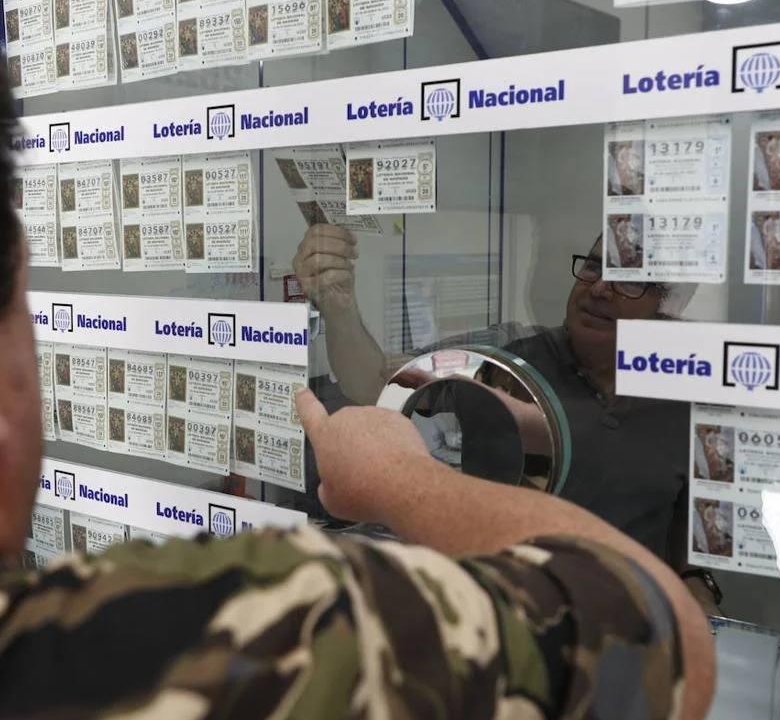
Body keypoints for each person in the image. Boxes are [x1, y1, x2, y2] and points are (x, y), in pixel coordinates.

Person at [0, 0, 711, 720]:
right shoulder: (181, 650)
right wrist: (404, 485)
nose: (605, 283)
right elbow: (658, 638)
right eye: (27, 303)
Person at [293, 225, 721, 612]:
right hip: (494, 612)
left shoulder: (690, 392)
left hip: (623, 624)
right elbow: (375, 383)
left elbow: (686, 524)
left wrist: (695, 581)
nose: (601, 288)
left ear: (668, 307)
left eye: (630, 281)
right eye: (594, 266)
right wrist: (339, 306)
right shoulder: (505, 353)